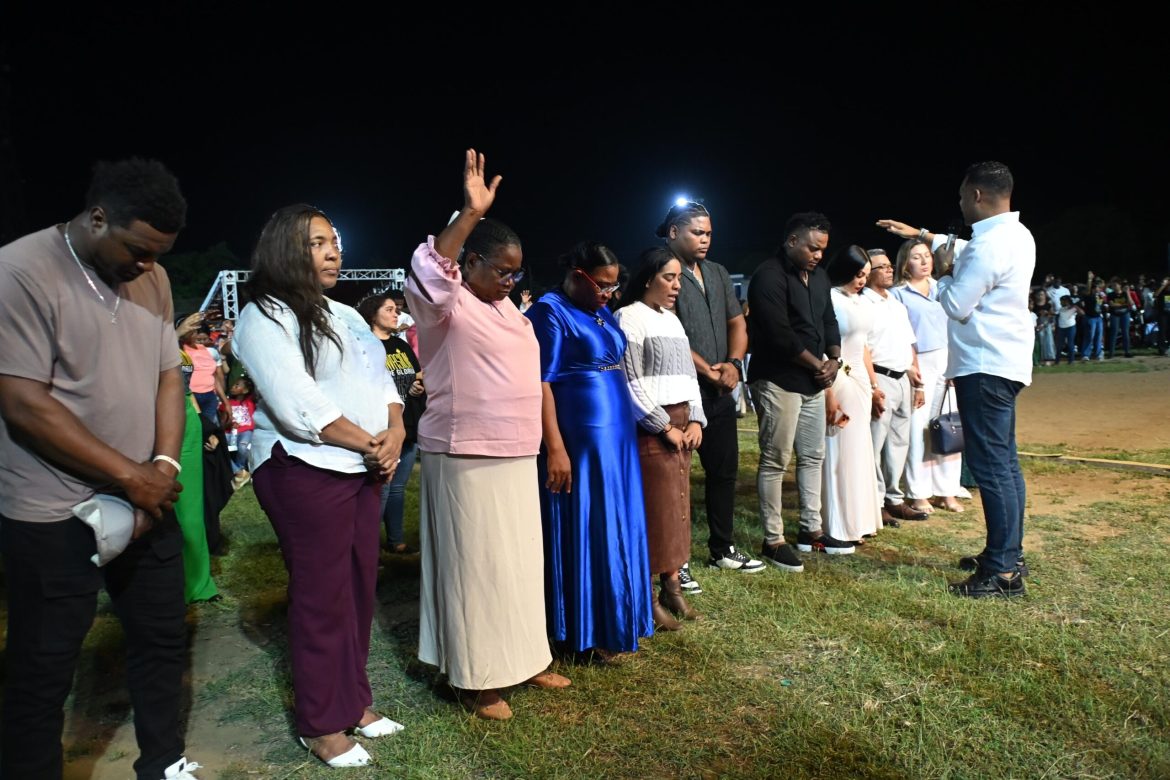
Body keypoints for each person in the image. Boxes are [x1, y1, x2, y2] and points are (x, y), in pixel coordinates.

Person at [0, 158, 202, 779]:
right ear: (96, 218)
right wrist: (130, 474)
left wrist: (160, 466)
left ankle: (163, 763)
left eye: (158, 254)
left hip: (147, 496)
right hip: (50, 508)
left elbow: (170, 373)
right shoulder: (20, 271)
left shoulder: (155, 278)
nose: (146, 267)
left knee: (163, 639)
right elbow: (22, 401)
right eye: (137, 250)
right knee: (44, 663)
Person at [233, 205, 407, 767]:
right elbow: (296, 402)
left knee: (358, 587)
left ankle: (354, 702)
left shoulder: (347, 314)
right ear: (287, 250)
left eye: (335, 241)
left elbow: (382, 378)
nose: (334, 252)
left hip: (363, 465)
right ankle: (320, 721)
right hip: (303, 467)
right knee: (320, 596)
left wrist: (396, 430)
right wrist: (369, 442)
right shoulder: (263, 316)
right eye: (318, 243)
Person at [405, 150, 569, 722]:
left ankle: (525, 657)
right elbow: (429, 270)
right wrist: (470, 214)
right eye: (500, 270)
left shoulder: (512, 314)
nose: (509, 281)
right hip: (464, 453)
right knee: (476, 566)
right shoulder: (443, 308)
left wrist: (551, 444)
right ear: (470, 263)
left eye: (515, 272)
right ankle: (477, 678)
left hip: (514, 452)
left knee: (519, 563)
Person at [880, 161, 1035, 597]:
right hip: (1004, 362)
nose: (962, 204)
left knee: (991, 468)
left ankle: (1002, 573)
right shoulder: (1015, 235)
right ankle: (1007, 554)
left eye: (964, 196)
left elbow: (957, 305)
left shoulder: (990, 247)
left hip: (984, 365)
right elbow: (966, 248)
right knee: (1005, 463)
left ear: (978, 196)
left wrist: (944, 274)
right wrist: (925, 235)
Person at [528, 240, 654, 657]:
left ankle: (619, 620)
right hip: (581, 440)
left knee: (617, 520)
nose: (608, 294)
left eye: (613, 287)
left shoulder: (598, 310)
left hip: (617, 438)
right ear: (576, 275)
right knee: (589, 523)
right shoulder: (549, 311)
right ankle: (586, 629)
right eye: (601, 285)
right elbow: (541, 382)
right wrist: (556, 448)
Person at [658, 201, 763, 594]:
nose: (704, 239)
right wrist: (708, 370)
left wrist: (734, 363)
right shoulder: (662, 270)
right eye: (696, 232)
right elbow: (669, 330)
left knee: (724, 472)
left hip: (720, 390)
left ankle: (722, 546)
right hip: (681, 392)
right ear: (673, 233)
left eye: (708, 233)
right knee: (678, 481)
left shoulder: (717, 273)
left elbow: (737, 321)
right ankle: (675, 561)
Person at [747, 211, 850, 567]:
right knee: (776, 459)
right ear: (792, 241)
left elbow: (829, 321)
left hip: (813, 381)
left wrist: (834, 359)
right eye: (812, 248)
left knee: (812, 456)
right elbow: (778, 335)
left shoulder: (819, 277)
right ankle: (773, 540)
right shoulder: (767, 276)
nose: (818, 255)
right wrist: (818, 365)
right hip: (777, 379)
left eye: (822, 249)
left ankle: (811, 531)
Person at [614, 247, 707, 631]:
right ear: (649, 277)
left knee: (679, 508)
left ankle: (673, 585)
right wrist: (661, 424)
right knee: (656, 511)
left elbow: (688, 375)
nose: (675, 286)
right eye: (669, 277)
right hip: (653, 429)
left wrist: (696, 419)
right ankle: (647, 597)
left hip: (682, 422)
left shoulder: (672, 320)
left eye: (679, 279)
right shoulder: (628, 317)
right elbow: (629, 379)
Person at [891, 239, 965, 514]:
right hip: (918, 362)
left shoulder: (942, 288)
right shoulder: (898, 294)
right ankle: (918, 492)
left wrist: (956, 365)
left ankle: (947, 491)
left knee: (949, 424)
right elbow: (901, 334)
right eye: (916, 257)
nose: (924, 261)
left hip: (947, 361)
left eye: (927, 256)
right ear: (904, 264)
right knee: (919, 429)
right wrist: (911, 368)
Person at [821, 246, 883, 544]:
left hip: (859, 377)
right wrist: (829, 390)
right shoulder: (829, 298)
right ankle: (840, 523)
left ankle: (861, 519)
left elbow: (864, 346)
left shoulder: (862, 301)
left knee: (860, 449)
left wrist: (873, 385)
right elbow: (826, 346)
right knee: (840, 450)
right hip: (838, 376)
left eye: (866, 276)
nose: (862, 281)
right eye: (858, 274)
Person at [356, 292, 426, 554]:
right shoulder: (365, 346)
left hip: (408, 425)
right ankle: (368, 548)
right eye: (389, 310)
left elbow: (416, 373)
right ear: (372, 315)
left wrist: (419, 384)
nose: (397, 313)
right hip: (381, 428)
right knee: (381, 489)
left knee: (397, 488)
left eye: (397, 310)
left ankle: (395, 541)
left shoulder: (401, 345)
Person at [862, 248, 928, 524]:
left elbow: (909, 343)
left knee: (899, 442)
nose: (889, 270)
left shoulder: (896, 303)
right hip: (881, 377)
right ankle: (875, 503)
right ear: (867, 274)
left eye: (890, 266)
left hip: (903, 378)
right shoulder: (862, 303)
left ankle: (895, 498)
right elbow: (862, 346)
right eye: (881, 267)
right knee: (875, 443)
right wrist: (874, 386)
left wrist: (918, 379)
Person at [227, 375, 256, 489]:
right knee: (220, 448)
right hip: (230, 431)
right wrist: (229, 423)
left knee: (243, 447)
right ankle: (239, 472)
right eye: (234, 384)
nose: (233, 387)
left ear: (245, 390)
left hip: (246, 430)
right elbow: (223, 417)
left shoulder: (250, 401)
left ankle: (239, 471)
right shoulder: (228, 402)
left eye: (237, 385)